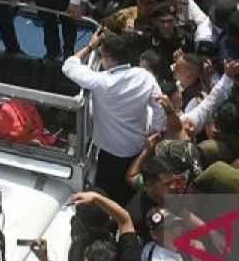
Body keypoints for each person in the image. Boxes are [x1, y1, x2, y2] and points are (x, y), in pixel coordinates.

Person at [62, 30, 165, 204]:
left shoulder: (100, 81)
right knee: (128, 196)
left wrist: (90, 46)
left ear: (109, 59)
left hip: (110, 155)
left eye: (101, 56)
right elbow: (160, 107)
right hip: (137, 150)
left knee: (104, 196)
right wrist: (155, 131)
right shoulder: (145, 77)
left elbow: (68, 66)